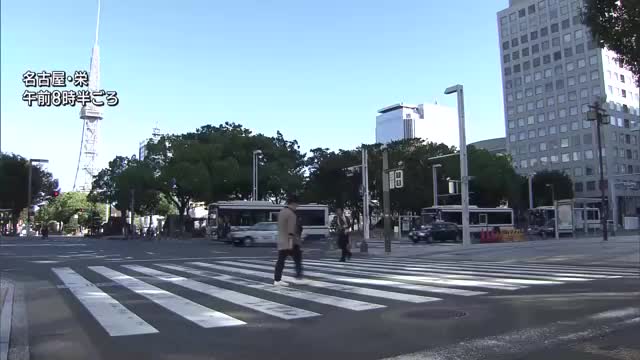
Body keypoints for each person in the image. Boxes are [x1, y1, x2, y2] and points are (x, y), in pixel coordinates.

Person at [273, 194, 303, 286]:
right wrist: (290, 244)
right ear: (293, 203)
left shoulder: (281, 212)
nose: (297, 207)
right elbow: (291, 230)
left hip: (281, 241)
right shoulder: (291, 214)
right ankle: (298, 276)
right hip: (291, 242)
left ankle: (277, 280)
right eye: (297, 205)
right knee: (298, 258)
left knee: (280, 261)